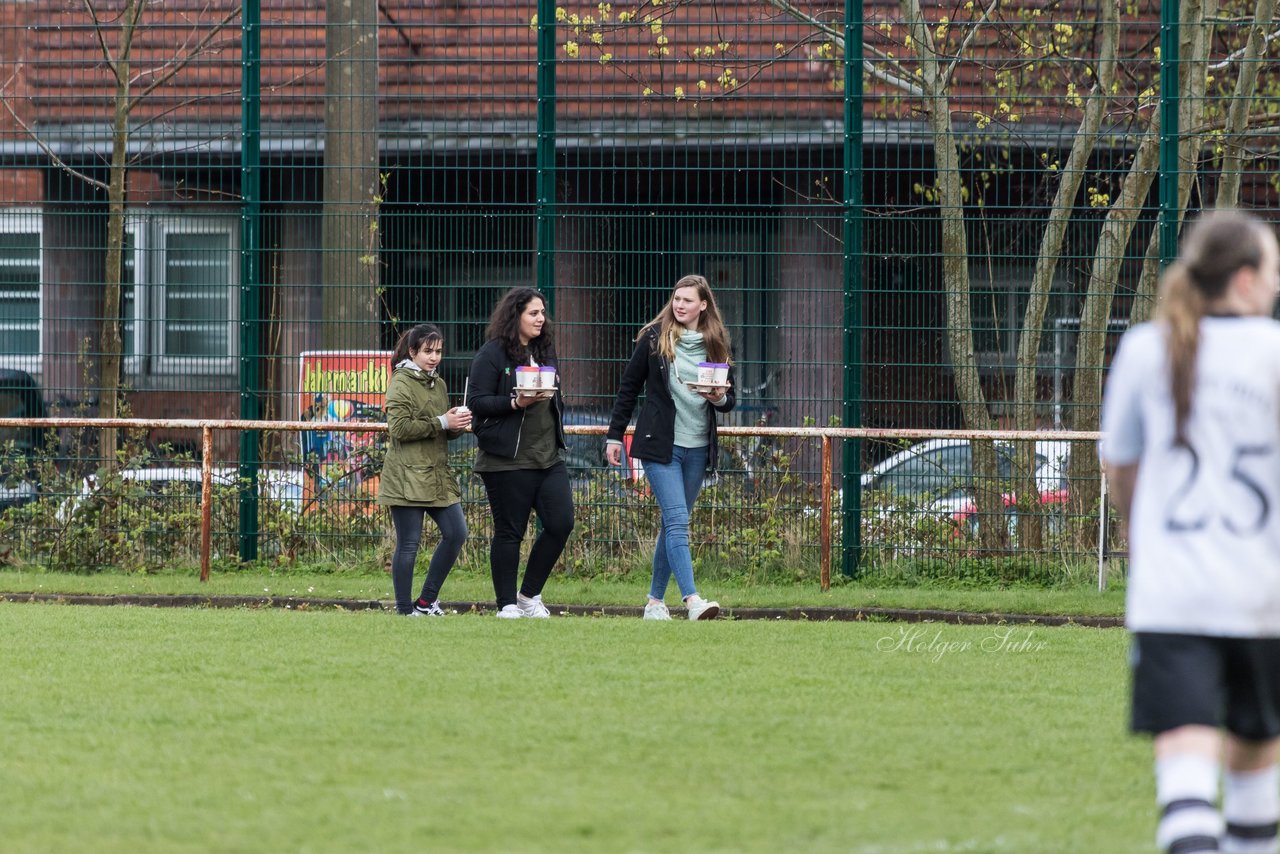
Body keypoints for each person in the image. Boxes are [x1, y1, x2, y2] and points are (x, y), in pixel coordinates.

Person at [1100, 209, 1280, 854]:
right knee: (1257, 787)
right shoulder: (1274, 352)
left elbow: (1121, 466)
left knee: (1186, 785)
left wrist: (1139, 538)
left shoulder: (1147, 347)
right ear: (1244, 279)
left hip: (1172, 593)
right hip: (1262, 597)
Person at [606, 274, 735, 620]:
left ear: (703, 306)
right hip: (659, 447)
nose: (679, 305)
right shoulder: (653, 339)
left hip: (697, 448)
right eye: (676, 299)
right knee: (677, 519)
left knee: (672, 523)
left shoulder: (716, 342)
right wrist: (614, 435)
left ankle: (654, 602)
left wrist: (719, 397)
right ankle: (692, 600)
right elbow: (628, 389)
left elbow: (729, 398)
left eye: (687, 300)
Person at [466, 287, 574, 619]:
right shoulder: (492, 354)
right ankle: (507, 605)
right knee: (510, 531)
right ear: (516, 315)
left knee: (560, 523)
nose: (541, 319)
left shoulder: (545, 350)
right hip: (506, 459)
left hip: (548, 456)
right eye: (534, 313)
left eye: (543, 313)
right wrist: (514, 402)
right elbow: (477, 402)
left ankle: (528, 596)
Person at [377, 324, 472, 617]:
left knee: (456, 533)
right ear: (413, 351)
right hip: (405, 475)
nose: (434, 357)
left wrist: (458, 423)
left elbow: (441, 429)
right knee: (409, 545)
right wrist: (443, 422)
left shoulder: (439, 384)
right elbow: (400, 429)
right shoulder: (400, 382)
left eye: (439, 351)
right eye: (428, 351)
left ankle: (426, 601)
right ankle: (406, 611)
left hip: (437, 475)